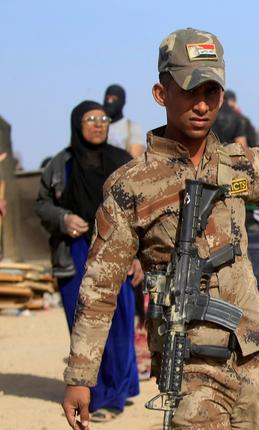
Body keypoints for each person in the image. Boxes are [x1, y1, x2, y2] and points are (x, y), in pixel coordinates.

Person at [61, 28, 259, 430]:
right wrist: (80, 377)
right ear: (161, 93)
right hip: (190, 368)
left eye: (211, 92)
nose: (202, 104)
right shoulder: (130, 187)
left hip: (255, 362)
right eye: (190, 91)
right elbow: (100, 288)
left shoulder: (241, 164)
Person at [37, 100, 138, 422]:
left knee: (118, 324)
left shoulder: (122, 163)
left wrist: (139, 257)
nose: (98, 124)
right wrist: (63, 218)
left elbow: (143, 213)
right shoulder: (60, 164)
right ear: (76, 124)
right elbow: (41, 205)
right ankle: (96, 389)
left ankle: (112, 395)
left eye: (103, 119)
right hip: (75, 252)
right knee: (83, 325)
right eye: (90, 119)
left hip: (117, 252)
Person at [103, 84, 146, 158]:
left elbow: (135, 158)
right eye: (107, 98)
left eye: (114, 99)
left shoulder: (132, 127)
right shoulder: (98, 126)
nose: (109, 102)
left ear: (122, 101)